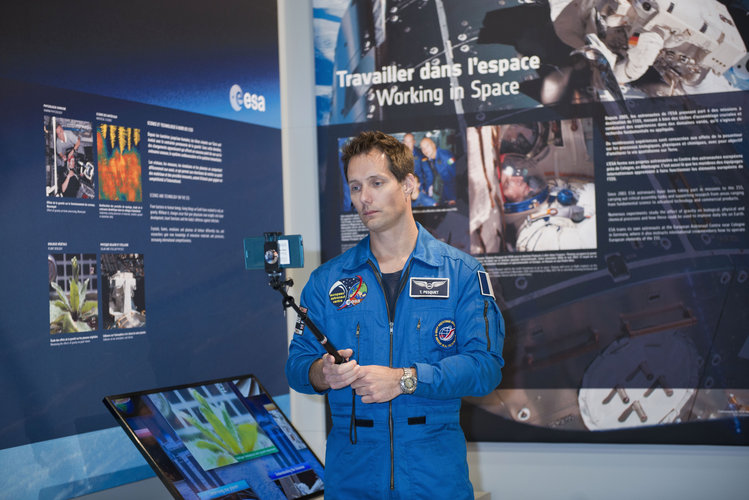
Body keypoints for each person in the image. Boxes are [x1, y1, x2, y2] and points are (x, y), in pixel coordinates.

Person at [285, 131, 505, 499]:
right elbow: (296, 366)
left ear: (410, 185)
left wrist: (405, 379)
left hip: (433, 480)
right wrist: (322, 372)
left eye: (376, 183)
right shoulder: (327, 280)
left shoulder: (461, 273)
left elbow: (485, 369)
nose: (364, 198)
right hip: (353, 479)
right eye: (355, 187)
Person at [418, 136, 457, 205]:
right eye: (422, 148)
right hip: (441, 187)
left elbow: (452, 179)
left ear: (433, 144)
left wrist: (452, 198)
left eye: (427, 146)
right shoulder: (431, 158)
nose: (425, 150)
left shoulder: (445, 159)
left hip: (449, 191)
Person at [55, 123, 83, 197]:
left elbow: (78, 143)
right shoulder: (58, 141)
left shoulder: (69, 134)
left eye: (60, 131)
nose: (60, 135)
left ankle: (79, 136)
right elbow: (59, 152)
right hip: (66, 152)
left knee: (79, 144)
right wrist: (62, 156)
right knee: (61, 161)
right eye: (58, 133)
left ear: (62, 130)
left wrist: (73, 151)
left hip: (74, 147)